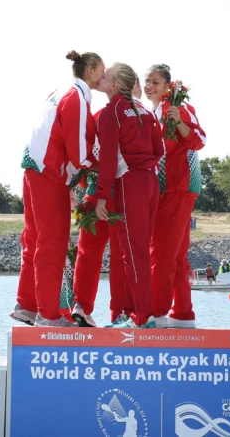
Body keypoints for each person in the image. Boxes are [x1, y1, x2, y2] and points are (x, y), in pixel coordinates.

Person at [11, 51, 104, 328]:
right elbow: (78, 153)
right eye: (102, 70)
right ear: (91, 71)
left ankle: (26, 305)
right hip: (50, 174)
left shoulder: (60, 90)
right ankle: (48, 314)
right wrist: (102, 168)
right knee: (51, 244)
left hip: (33, 170)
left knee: (34, 240)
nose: (105, 76)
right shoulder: (76, 97)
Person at [72, 78, 147, 327]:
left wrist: (84, 185)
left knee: (88, 252)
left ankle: (81, 306)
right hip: (120, 192)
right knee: (120, 256)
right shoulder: (140, 117)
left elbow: (85, 152)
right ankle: (120, 313)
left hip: (95, 189)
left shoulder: (99, 115)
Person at [95, 62, 164, 329]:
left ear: (113, 85)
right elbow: (159, 150)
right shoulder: (145, 110)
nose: (100, 78)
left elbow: (109, 159)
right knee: (140, 251)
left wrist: (101, 195)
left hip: (130, 183)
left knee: (133, 254)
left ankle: (143, 317)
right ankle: (137, 313)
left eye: (105, 76)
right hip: (150, 180)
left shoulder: (110, 112)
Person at [145, 64, 206, 329]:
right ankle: (182, 314)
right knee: (177, 256)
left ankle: (157, 315)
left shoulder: (177, 107)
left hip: (176, 188)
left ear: (168, 85)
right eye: (147, 81)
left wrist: (178, 121)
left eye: (155, 82)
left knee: (161, 253)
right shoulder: (154, 110)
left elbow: (199, 140)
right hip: (171, 188)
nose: (149, 86)